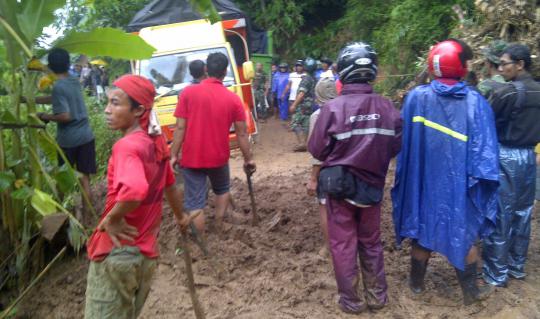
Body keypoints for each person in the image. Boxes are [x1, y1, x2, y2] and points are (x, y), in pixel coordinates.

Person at [392, 39, 499, 305]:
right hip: (460, 186)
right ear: (461, 66)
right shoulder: (476, 102)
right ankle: (471, 293)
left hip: (424, 183)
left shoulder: (416, 97)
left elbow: (404, 143)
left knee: (422, 229)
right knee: (463, 233)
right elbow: (485, 153)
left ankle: (416, 286)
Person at [84, 75, 192, 319]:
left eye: (115, 103)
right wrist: (180, 217)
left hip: (117, 254)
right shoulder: (155, 143)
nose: (107, 110)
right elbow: (170, 186)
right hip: (144, 258)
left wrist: (112, 219)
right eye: (108, 103)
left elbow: (134, 191)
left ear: (139, 110)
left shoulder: (126, 146)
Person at [309, 42, 402, 314]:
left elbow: (317, 149)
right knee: (371, 242)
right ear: (372, 70)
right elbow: (396, 146)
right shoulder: (388, 107)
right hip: (372, 188)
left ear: (344, 72)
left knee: (343, 244)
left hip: (339, 189)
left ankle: (351, 300)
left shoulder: (332, 109)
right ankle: (377, 297)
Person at [170, 52, 256, 234]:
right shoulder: (233, 99)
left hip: (192, 158)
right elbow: (242, 133)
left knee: (195, 203)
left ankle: (199, 239)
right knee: (222, 189)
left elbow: (180, 129)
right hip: (218, 157)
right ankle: (218, 223)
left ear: (206, 69)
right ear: (225, 72)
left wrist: (173, 155)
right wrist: (248, 159)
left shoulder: (187, 93)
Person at [482, 44, 540, 287]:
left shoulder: (506, 93)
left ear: (520, 64)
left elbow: (486, 122)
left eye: (505, 63)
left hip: (505, 155)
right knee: (523, 213)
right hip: (530, 157)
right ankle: (517, 266)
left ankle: (496, 273)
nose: (501, 68)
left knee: (500, 214)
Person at [36, 48, 96, 221]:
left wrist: (44, 116)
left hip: (69, 141)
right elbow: (58, 98)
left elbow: (65, 116)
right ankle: (87, 221)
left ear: (51, 67)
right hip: (86, 136)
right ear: (68, 64)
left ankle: (57, 218)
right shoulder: (73, 81)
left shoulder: (58, 87)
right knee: (85, 180)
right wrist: (32, 100)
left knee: (62, 181)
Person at [306, 77, 338, 257]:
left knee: (325, 208)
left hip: (327, 170)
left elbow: (316, 152)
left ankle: (328, 248)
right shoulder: (346, 109)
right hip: (348, 168)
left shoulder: (317, 116)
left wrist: (312, 179)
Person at [289, 58, 317, 152]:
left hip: (302, 104)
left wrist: (294, 105)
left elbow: (301, 93)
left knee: (295, 123)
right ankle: (305, 143)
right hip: (310, 104)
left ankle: (301, 143)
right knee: (306, 124)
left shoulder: (306, 79)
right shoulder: (314, 78)